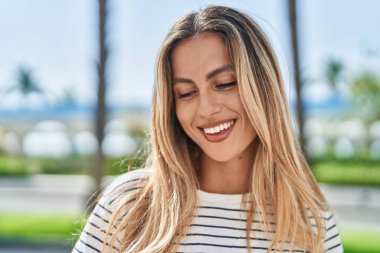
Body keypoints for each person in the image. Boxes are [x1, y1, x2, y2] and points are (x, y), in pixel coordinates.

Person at [73, 5, 343, 253]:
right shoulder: (129, 206)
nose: (205, 109)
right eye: (186, 93)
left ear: (262, 87)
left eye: (224, 83)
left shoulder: (310, 223)